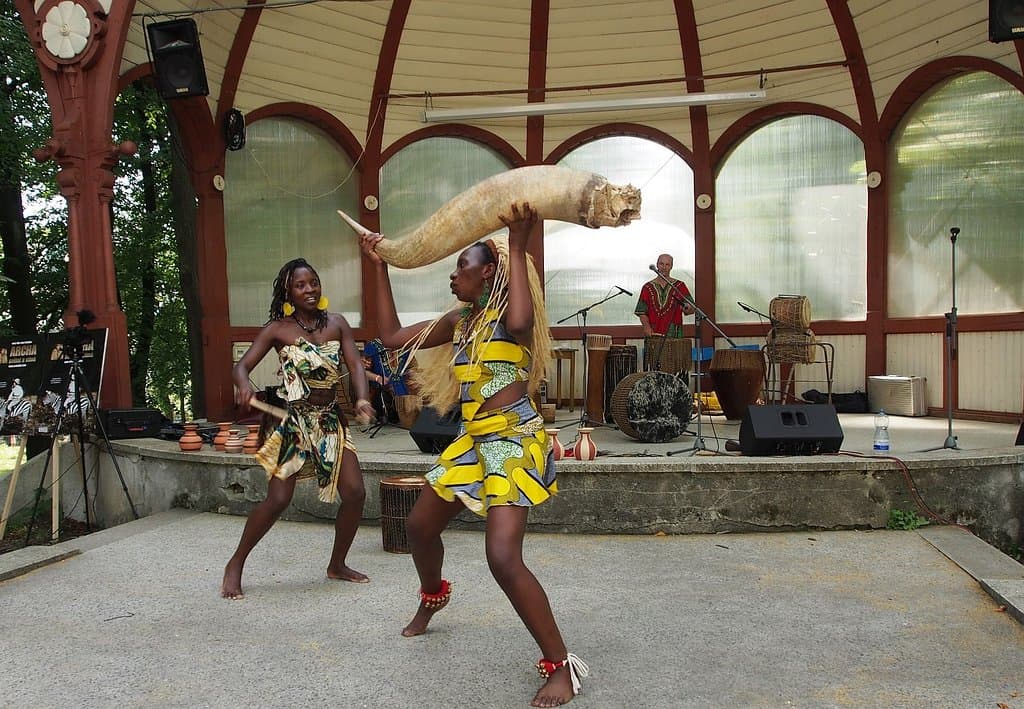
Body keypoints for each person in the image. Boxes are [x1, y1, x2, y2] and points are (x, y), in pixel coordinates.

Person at [359, 203, 589, 707]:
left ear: (488, 273)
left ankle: (560, 666)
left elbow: (523, 318)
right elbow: (393, 338)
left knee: (502, 557)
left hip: (512, 441)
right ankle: (433, 596)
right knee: (419, 527)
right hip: (473, 440)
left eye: (462, 266)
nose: (453, 275)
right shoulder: (461, 321)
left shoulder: (512, 319)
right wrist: (379, 267)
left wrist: (518, 243)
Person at [221, 257, 375, 599]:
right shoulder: (278, 329)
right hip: (295, 423)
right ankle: (236, 563)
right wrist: (244, 386)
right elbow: (241, 368)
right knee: (278, 499)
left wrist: (362, 398)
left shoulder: (337, 323)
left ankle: (337, 564)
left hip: (330, 421)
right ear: (288, 292)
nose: (309, 289)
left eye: (313, 282)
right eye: (300, 285)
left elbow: (355, 365)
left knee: (355, 493)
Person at [635, 253, 695, 338]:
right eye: (661, 264)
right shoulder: (647, 287)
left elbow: (691, 309)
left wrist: (688, 308)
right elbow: (642, 311)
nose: (664, 267)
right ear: (657, 265)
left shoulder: (679, 286)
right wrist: (646, 327)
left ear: (671, 267)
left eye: (667, 264)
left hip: (674, 334)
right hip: (654, 334)